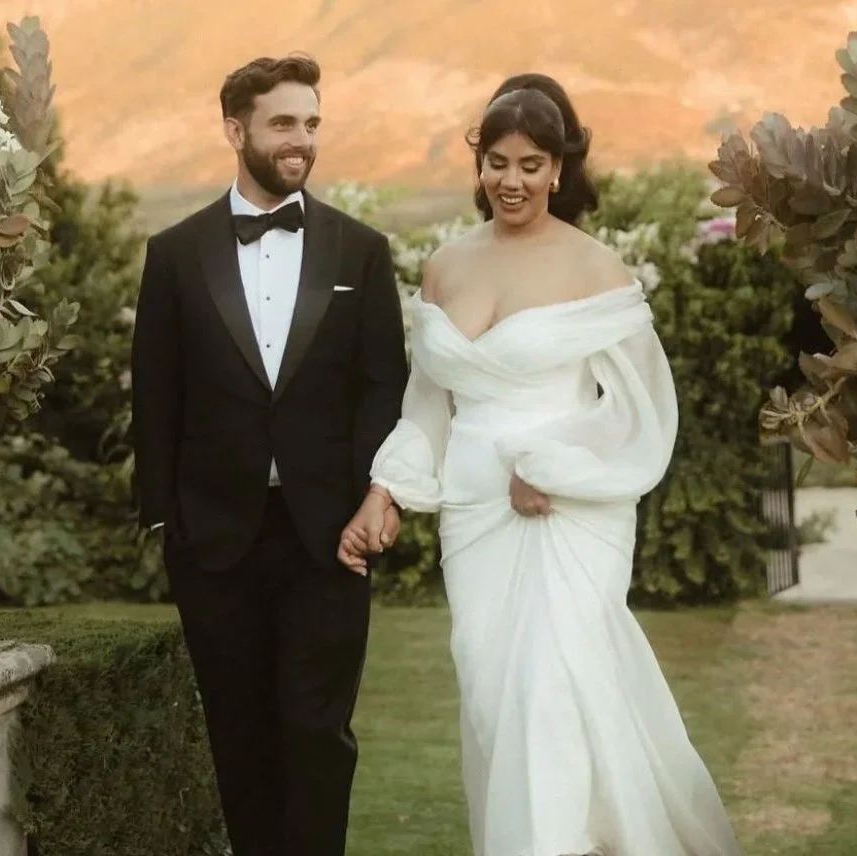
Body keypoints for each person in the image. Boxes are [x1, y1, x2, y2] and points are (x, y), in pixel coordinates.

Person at [338, 73, 742, 856]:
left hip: (568, 507)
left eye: (530, 164)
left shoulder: (596, 269)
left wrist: (552, 464)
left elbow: (638, 409)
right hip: (473, 512)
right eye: (497, 161)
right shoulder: (445, 267)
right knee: (494, 700)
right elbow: (430, 403)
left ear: (560, 168)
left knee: (553, 694)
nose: (511, 180)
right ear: (478, 164)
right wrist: (385, 489)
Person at [130, 53, 408, 856]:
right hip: (215, 541)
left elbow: (384, 387)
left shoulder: (361, 251)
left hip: (330, 536)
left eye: (312, 123)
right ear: (235, 130)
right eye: (284, 122)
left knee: (319, 732)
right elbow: (156, 393)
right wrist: (165, 523)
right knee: (239, 734)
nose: (302, 140)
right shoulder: (175, 254)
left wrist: (375, 497)